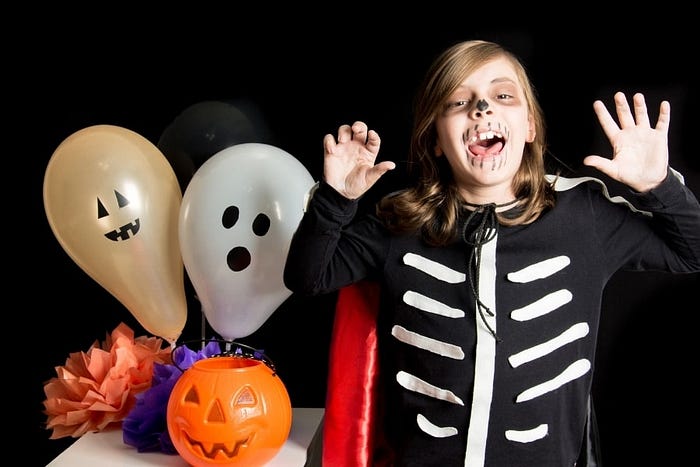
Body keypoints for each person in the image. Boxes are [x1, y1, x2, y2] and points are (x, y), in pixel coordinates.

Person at [283, 39, 700, 466]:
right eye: (458, 102)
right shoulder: (401, 222)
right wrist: (335, 198)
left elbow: (691, 251)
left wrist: (659, 186)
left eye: (503, 96)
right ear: (436, 140)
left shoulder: (586, 215)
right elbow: (308, 277)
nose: (481, 109)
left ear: (530, 126)